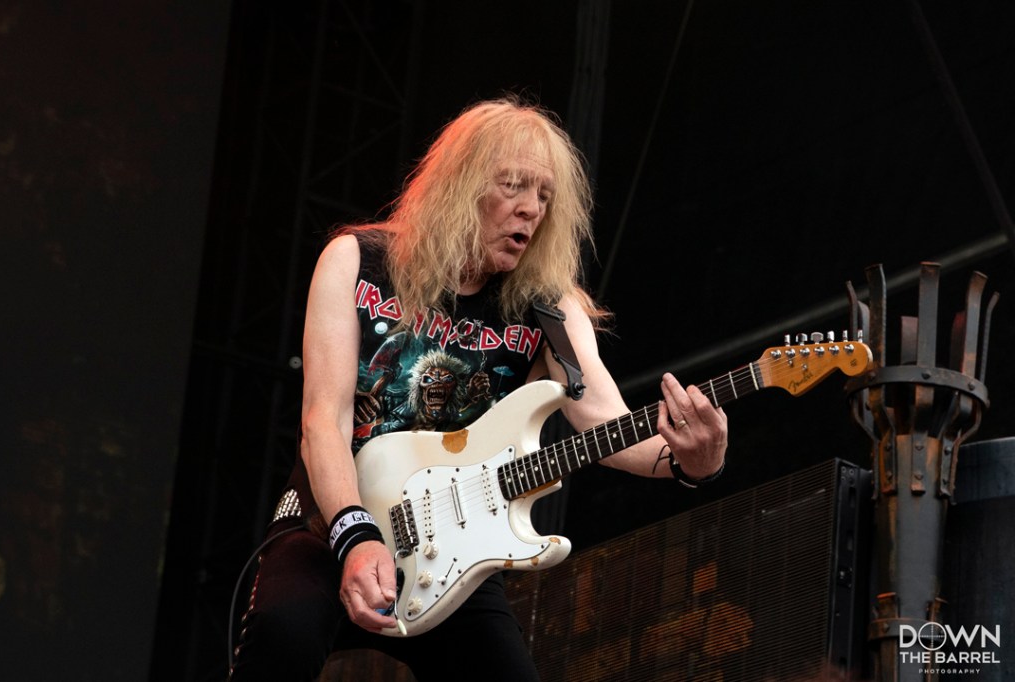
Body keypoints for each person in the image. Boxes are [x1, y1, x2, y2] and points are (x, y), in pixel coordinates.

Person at [229, 96, 728, 681]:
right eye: (513, 185)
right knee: (283, 631)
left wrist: (694, 462)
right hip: (330, 520)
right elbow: (323, 421)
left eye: (544, 196)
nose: (531, 209)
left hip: (451, 551)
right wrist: (357, 537)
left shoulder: (548, 309)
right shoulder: (359, 262)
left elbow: (606, 423)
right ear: (460, 185)